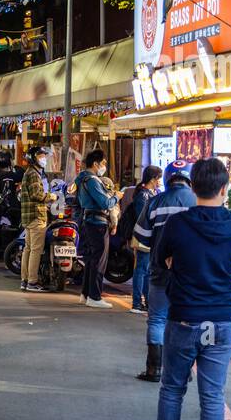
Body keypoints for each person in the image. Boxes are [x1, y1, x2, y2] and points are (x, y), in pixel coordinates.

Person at [137, 158, 231, 420]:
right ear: (225, 189)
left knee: (172, 388)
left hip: (185, 316)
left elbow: (158, 260)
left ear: (192, 186)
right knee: (213, 396)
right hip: (222, 318)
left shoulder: (179, 225)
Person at [132, 160, 196, 382]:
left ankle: (154, 369)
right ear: (190, 179)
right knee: (184, 321)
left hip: (159, 272)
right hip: (190, 277)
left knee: (157, 319)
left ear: (167, 179)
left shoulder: (156, 201)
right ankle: (183, 370)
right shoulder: (199, 202)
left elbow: (141, 237)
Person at [73, 149, 117, 309]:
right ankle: (95, 296)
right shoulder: (92, 181)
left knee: (91, 260)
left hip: (88, 222)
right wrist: (117, 196)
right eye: (103, 163)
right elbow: (105, 203)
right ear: (96, 163)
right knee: (99, 261)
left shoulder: (82, 179)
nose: (104, 166)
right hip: (97, 223)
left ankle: (85, 294)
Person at [118, 165, 162, 314]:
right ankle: (137, 303)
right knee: (142, 269)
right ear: (153, 179)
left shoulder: (150, 193)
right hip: (144, 236)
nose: (160, 181)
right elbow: (142, 218)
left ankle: (146, 302)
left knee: (146, 270)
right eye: (159, 178)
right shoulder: (143, 195)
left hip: (149, 236)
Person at [19, 145, 52, 292]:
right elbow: (36, 195)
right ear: (33, 158)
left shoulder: (33, 172)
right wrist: (52, 196)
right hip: (36, 215)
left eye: (44, 155)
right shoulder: (33, 173)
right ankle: (32, 282)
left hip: (30, 216)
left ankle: (25, 280)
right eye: (40, 156)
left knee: (28, 249)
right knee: (35, 250)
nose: (43, 158)